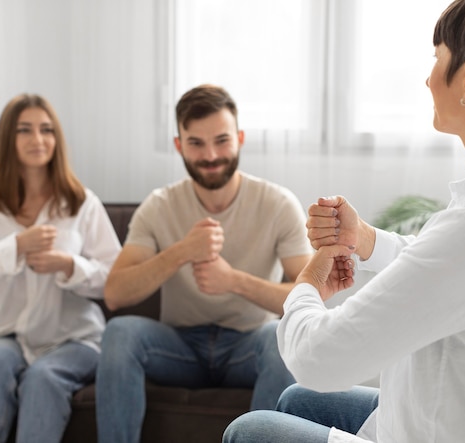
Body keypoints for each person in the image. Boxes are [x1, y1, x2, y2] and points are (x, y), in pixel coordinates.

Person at [223, 0, 465, 442]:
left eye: (437, 60)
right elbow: (452, 268)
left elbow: (318, 359)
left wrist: (306, 285)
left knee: (251, 430)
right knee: (296, 401)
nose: (428, 78)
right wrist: (363, 238)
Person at [95, 84, 314, 442]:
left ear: (240, 138)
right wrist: (182, 251)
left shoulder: (277, 203)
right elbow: (115, 294)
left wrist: (233, 281)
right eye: (196, 143)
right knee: (120, 333)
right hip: (179, 348)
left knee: (279, 336)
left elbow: (311, 297)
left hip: (249, 344)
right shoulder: (159, 205)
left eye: (221, 140)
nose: (210, 155)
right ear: (179, 145)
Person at [0, 93, 121, 443]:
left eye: (46, 130)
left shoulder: (82, 203)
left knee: (43, 377)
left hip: (75, 339)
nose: (38, 139)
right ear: (8, 138)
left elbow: (116, 279)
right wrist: (14, 248)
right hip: (5, 335)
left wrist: (69, 266)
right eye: (25, 130)